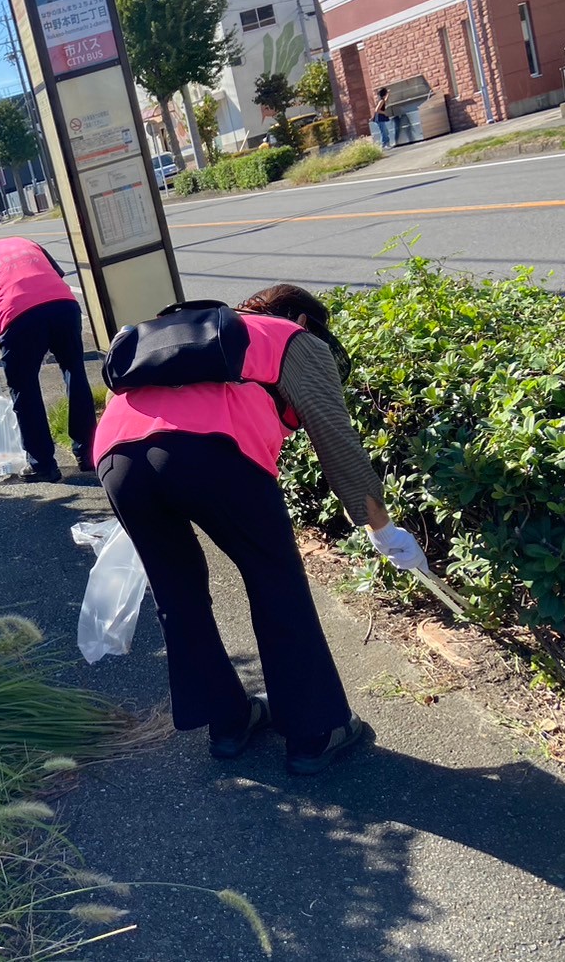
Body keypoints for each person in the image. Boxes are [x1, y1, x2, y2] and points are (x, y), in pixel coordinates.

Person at [93, 285, 429, 775]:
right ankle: (316, 733)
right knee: (275, 582)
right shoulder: (291, 338)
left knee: (178, 594)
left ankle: (228, 723)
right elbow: (336, 439)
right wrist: (382, 528)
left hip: (118, 460)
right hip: (213, 455)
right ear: (305, 321)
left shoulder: (177, 333)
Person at [0, 233, 96, 483]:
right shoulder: (27, 243)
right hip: (64, 307)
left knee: (25, 390)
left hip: (19, 319)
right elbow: (51, 279)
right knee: (75, 374)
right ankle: (88, 453)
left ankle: (43, 464)